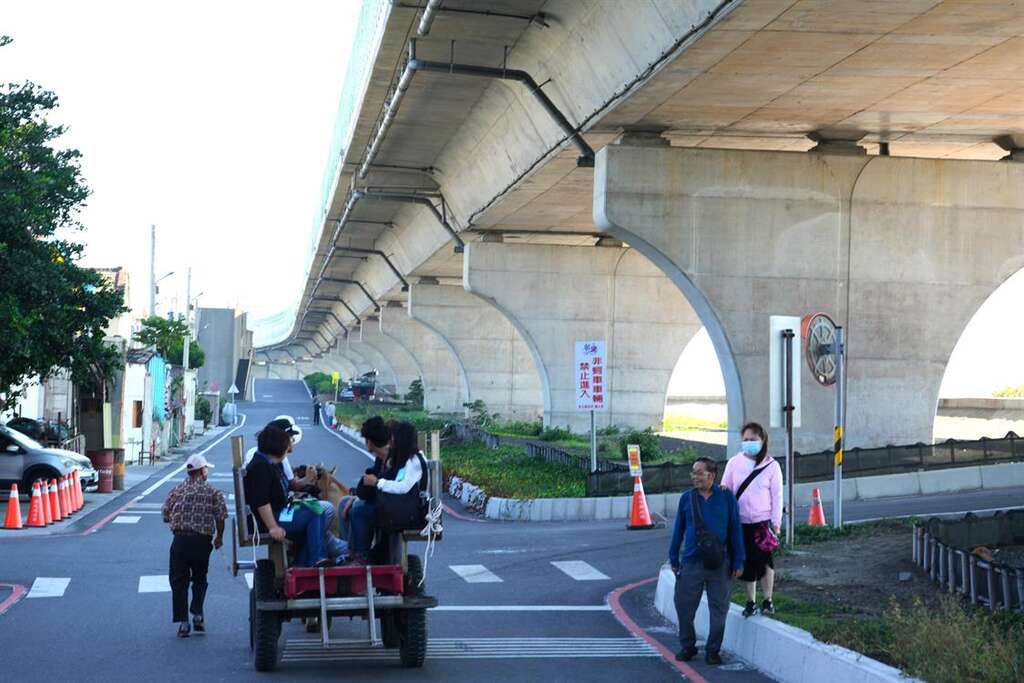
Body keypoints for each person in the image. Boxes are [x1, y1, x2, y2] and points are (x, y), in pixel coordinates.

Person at [668, 457, 744, 666]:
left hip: (720, 563)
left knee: (719, 610)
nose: (694, 476)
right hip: (691, 562)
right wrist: (673, 556)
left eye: (699, 472)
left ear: (711, 475)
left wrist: (739, 560)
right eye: (693, 472)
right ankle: (688, 646)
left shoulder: (727, 498)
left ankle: (713, 650)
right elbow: (678, 531)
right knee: (684, 606)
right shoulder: (686, 498)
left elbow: (735, 530)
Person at [245, 417, 347, 560]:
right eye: (288, 445)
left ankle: (304, 560)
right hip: (270, 518)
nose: (291, 449)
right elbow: (262, 502)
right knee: (316, 513)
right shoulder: (261, 467)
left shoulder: (270, 463)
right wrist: (273, 527)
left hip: (279, 512)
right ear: (278, 444)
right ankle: (316, 558)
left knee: (316, 509)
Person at [161, 454, 228, 638]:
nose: (207, 472)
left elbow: (165, 514)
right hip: (201, 541)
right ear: (201, 471)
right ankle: (197, 614)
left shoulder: (176, 490)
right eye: (206, 468)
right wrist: (219, 537)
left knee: (178, 581)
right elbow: (221, 517)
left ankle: (183, 624)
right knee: (199, 578)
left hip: (180, 541)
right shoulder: (213, 492)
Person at [721, 421, 783, 617]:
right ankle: (750, 602)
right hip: (740, 523)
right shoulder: (733, 463)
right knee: (745, 563)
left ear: (762, 440)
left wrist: (776, 522)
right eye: (745, 439)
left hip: (762, 522)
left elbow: (777, 495)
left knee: (765, 562)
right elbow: (726, 489)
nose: (749, 443)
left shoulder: (772, 466)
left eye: (753, 439)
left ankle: (768, 600)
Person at [349, 421, 424, 563]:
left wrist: (377, 482)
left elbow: (402, 488)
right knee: (356, 506)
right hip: (398, 506)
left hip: (405, 511)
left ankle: (361, 555)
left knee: (359, 511)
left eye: (393, 438)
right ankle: (356, 553)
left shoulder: (410, 461)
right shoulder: (403, 459)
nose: (390, 441)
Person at [337, 416, 390, 545]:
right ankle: (347, 548)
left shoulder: (392, 459)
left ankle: (361, 552)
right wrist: (357, 496)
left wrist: (362, 494)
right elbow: (365, 486)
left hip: (389, 504)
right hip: (379, 498)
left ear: (369, 441)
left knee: (358, 508)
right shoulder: (380, 458)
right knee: (344, 502)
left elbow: (378, 488)